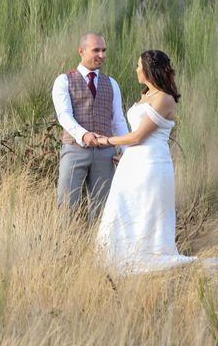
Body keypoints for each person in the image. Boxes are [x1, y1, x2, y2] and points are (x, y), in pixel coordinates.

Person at [94, 50, 199, 275]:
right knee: (125, 210)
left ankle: (147, 264)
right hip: (133, 164)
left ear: (149, 68)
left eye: (139, 65)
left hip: (152, 165)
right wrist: (126, 157)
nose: (136, 69)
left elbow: (138, 137)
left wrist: (106, 140)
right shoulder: (145, 95)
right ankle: (119, 263)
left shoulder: (164, 98)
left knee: (147, 213)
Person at [52, 33, 129, 223]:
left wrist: (127, 154)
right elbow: (64, 115)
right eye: (96, 50)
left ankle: (98, 251)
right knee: (67, 205)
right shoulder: (63, 81)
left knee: (103, 208)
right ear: (81, 51)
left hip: (105, 154)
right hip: (74, 150)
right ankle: (65, 249)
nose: (101, 55)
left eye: (104, 50)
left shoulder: (112, 84)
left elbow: (118, 120)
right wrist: (83, 134)